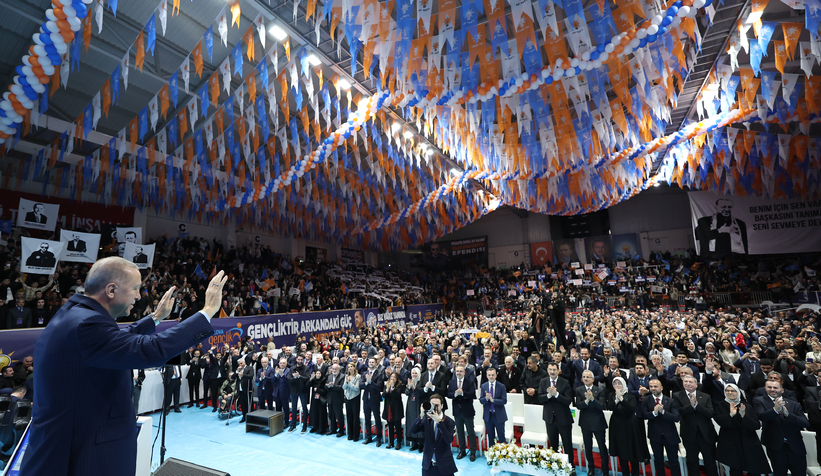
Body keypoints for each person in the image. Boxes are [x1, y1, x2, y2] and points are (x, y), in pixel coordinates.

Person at [19, 258, 227, 476]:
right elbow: (151, 350)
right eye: (136, 289)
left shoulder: (75, 314)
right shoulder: (87, 325)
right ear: (111, 290)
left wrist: (156, 318)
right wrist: (208, 310)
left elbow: (117, 338)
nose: (138, 296)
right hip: (83, 456)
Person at [754, 379, 811, 476]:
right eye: (769, 387)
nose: (772, 389)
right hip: (775, 447)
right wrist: (775, 410)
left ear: (782, 390)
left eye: (775, 387)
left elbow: (806, 423)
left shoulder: (794, 404)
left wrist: (789, 415)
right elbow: (762, 416)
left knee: (800, 473)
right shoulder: (760, 401)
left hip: (795, 446)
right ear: (765, 388)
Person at [714, 383, 771, 476]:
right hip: (731, 443)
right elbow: (719, 421)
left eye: (732, 391)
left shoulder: (746, 406)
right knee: (735, 470)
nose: (730, 393)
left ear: (738, 392)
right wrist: (730, 415)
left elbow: (756, 425)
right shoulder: (720, 405)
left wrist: (743, 415)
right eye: (727, 391)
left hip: (749, 442)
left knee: (754, 470)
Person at [672, 375, 717, 476]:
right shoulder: (677, 396)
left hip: (706, 434)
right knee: (692, 461)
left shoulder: (705, 396)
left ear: (696, 385)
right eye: (686, 381)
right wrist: (691, 406)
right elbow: (678, 411)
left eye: (690, 382)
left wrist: (697, 406)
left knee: (710, 460)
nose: (688, 383)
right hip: (689, 434)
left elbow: (710, 413)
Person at [606, 377, 648, 476]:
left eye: (619, 384)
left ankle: (635, 473)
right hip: (617, 425)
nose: (617, 386)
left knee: (633, 450)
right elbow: (610, 407)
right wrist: (616, 400)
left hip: (630, 425)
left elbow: (631, 409)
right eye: (615, 384)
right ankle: (625, 473)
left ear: (624, 384)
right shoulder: (611, 395)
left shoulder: (631, 396)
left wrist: (622, 400)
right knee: (621, 450)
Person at [409, 393, 458, 476]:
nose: (435, 407)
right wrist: (421, 415)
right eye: (432, 405)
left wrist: (439, 422)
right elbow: (412, 430)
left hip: (444, 465)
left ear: (442, 406)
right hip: (428, 464)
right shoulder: (427, 420)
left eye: (437, 405)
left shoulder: (449, 422)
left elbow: (449, 439)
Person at [642, 378, 681, 476]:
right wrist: (654, 413)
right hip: (655, 436)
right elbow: (644, 415)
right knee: (658, 461)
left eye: (655, 386)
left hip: (670, 436)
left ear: (662, 388)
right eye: (651, 386)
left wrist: (663, 412)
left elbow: (676, 418)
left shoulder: (671, 401)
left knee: (673, 461)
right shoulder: (646, 400)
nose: (653, 388)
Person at [538, 361, 574, 463]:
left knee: (567, 444)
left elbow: (568, 401)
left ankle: (570, 467)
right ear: (547, 370)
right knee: (553, 445)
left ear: (558, 371)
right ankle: (555, 466)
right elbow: (540, 398)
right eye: (550, 369)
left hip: (564, 419)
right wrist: (549, 395)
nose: (552, 372)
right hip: (550, 419)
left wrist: (556, 394)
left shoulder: (565, 382)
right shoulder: (543, 381)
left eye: (554, 370)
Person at [574, 370, 609, 475]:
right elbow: (578, 406)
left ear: (593, 379)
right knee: (587, 446)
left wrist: (593, 399)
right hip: (585, 423)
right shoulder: (579, 390)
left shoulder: (600, 390)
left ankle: (605, 469)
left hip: (598, 423)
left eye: (588, 377)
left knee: (602, 446)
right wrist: (586, 401)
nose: (585, 378)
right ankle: (591, 468)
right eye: (584, 377)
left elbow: (603, 406)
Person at [447, 364, 477, 461]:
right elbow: (448, 394)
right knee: (460, 432)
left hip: (467, 410)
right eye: (457, 371)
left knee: (470, 432)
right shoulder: (452, 382)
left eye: (460, 371)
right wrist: (455, 394)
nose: (459, 373)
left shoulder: (470, 381)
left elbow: (473, 394)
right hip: (457, 411)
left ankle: (473, 452)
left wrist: (463, 393)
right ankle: (462, 450)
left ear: (464, 373)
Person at [479, 366, 507, 446]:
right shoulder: (484, 386)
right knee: (491, 437)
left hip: (499, 415)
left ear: (496, 375)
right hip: (488, 416)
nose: (491, 376)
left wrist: (493, 400)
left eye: (493, 375)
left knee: (501, 437)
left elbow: (504, 401)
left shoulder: (501, 386)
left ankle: (503, 455)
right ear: (487, 376)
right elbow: (481, 400)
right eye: (489, 375)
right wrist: (486, 398)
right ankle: (491, 454)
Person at [361, 357, 384, 445]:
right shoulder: (365, 373)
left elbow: (379, 387)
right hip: (366, 399)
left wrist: (371, 382)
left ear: (376, 363)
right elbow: (361, 385)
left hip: (375, 399)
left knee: (377, 419)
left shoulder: (379, 374)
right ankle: (369, 437)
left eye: (372, 362)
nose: (371, 363)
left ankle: (379, 438)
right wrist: (366, 383)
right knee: (367, 419)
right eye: (369, 362)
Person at [382, 371, 405, 449]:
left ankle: (399, 442)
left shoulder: (400, 386)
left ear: (397, 379)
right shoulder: (386, 385)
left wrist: (392, 388)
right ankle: (391, 442)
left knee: (398, 427)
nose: (392, 378)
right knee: (390, 426)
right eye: (391, 377)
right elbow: (384, 395)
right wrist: (388, 388)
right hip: (388, 408)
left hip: (396, 409)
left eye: (394, 377)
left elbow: (396, 395)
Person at [287, 354, 310, 432]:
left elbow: (307, 378)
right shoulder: (292, 368)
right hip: (294, 391)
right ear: (296, 359)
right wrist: (295, 377)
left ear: (303, 360)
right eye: (299, 359)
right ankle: (293, 425)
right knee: (293, 408)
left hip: (303, 391)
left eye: (301, 359)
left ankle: (305, 426)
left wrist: (299, 376)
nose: (300, 361)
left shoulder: (306, 368)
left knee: (304, 407)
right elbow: (289, 379)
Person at [406, 366, 426, 453]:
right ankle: (414, 443)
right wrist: (410, 387)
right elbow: (406, 392)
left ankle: (421, 444)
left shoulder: (421, 381)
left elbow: (422, 392)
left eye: (415, 373)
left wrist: (415, 387)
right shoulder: (409, 381)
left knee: (420, 422)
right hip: (411, 404)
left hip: (419, 403)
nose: (414, 375)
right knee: (412, 421)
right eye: (413, 373)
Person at [324, 363, 345, 436]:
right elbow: (325, 386)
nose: (334, 370)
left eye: (335, 369)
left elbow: (342, 387)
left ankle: (341, 430)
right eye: (333, 369)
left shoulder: (342, 376)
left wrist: (333, 385)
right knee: (331, 415)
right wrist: (327, 386)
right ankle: (333, 429)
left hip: (338, 399)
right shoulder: (329, 376)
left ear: (339, 369)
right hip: (330, 398)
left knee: (339, 416)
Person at [342, 362, 361, 440]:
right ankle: (350, 434)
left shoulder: (358, 376)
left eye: (351, 367)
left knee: (355, 417)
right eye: (348, 367)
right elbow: (343, 387)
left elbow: (356, 388)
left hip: (355, 397)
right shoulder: (347, 376)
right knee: (349, 417)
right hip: (347, 398)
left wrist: (348, 382)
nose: (349, 368)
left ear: (354, 367)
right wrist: (347, 381)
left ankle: (356, 435)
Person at [271, 357, 291, 428]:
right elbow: (272, 381)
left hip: (285, 392)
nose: (282, 364)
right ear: (278, 364)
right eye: (281, 363)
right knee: (278, 408)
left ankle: (286, 422)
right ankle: (279, 421)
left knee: (286, 409)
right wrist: (276, 374)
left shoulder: (289, 370)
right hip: (277, 392)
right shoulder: (276, 370)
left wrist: (282, 375)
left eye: (283, 363)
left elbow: (288, 381)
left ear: (286, 364)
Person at [308, 364, 329, 434]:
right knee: (314, 413)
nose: (318, 375)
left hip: (321, 400)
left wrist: (318, 390)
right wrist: (311, 379)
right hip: (314, 400)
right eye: (317, 373)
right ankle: (314, 427)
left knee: (321, 414)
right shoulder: (313, 380)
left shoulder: (324, 380)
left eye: (319, 373)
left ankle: (322, 428)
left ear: (321, 374)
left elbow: (325, 391)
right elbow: (307, 385)